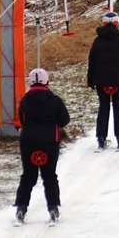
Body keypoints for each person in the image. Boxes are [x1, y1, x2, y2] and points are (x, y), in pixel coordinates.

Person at [15, 68, 70, 224]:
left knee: (28, 175)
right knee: (49, 175)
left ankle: (21, 207)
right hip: (49, 141)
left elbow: (21, 120)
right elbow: (64, 120)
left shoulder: (25, 100)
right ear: (47, 81)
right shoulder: (55, 100)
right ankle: (53, 208)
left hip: (28, 141)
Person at [87, 12, 119, 150]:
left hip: (101, 81)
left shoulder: (97, 41)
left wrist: (91, 81)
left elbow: (92, 63)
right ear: (117, 23)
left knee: (103, 108)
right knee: (118, 108)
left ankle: (101, 138)